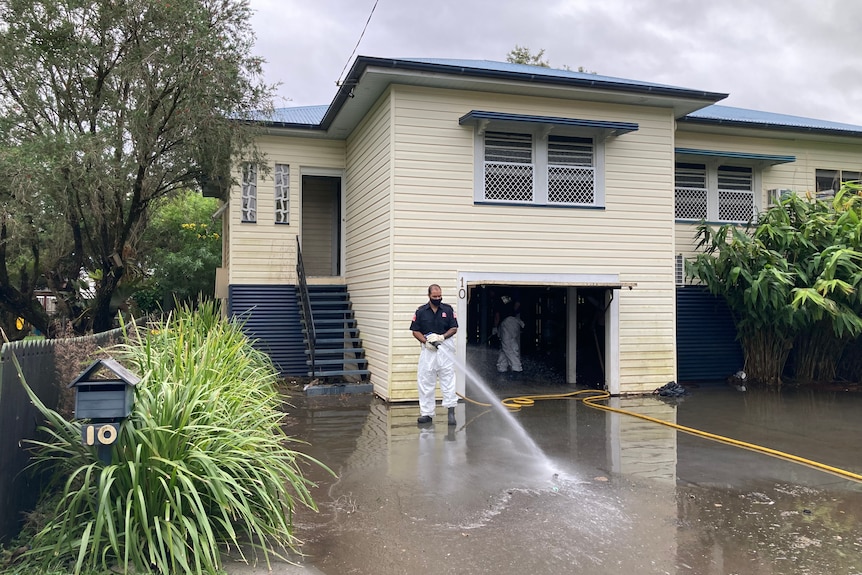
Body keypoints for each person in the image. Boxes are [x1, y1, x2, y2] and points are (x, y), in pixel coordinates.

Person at [410, 284, 459, 425]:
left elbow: (454, 328)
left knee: (448, 381)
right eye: (434, 297)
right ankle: (427, 414)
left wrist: (442, 337)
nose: (437, 298)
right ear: (429, 296)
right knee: (425, 381)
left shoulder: (448, 310)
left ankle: (451, 412)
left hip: (445, 350)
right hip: (428, 352)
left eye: (439, 296)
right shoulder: (421, 312)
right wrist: (426, 342)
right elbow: (415, 330)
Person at [495, 294, 524, 374]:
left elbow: (497, 316)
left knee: (507, 346)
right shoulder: (510, 297)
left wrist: (495, 327)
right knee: (509, 345)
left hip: (506, 322)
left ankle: (517, 367)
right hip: (515, 321)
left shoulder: (497, 300)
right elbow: (518, 304)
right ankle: (502, 366)